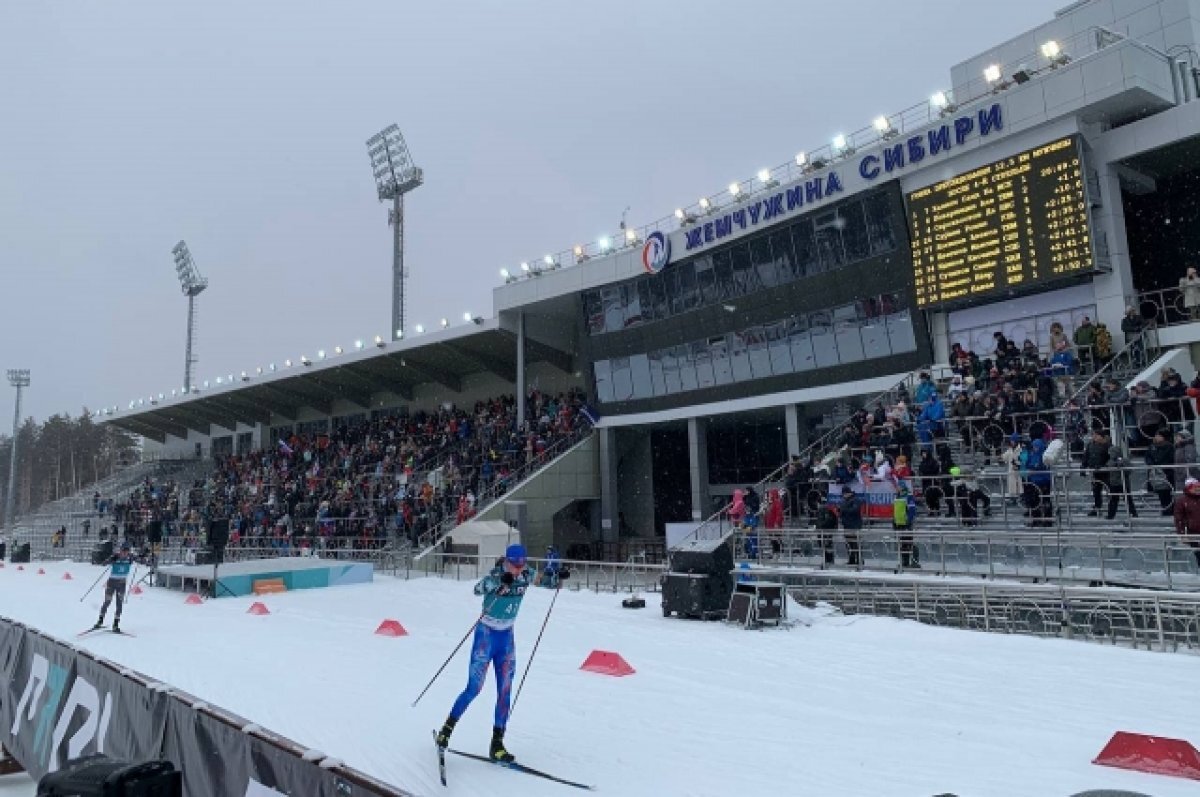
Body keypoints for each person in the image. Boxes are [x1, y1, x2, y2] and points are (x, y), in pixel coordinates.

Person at [436, 544, 568, 762]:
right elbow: (478, 589)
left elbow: (546, 581)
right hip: (486, 637)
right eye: (515, 565)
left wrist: (558, 577)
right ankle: (446, 731)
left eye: (522, 564)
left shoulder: (526, 573)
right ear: (507, 561)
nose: (519, 569)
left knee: (505, 691)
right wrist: (498, 582)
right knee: (474, 688)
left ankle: (497, 743)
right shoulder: (497, 573)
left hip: (506, 638)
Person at [94, 542, 136, 632]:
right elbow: (103, 563)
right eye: (123, 550)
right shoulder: (115, 556)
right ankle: (100, 621)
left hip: (122, 584)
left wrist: (144, 557)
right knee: (107, 602)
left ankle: (116, 624)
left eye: (127, 551)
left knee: (119, 604)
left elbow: (143, 561)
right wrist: (112, 559)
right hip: (112, 583)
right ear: (120, 550)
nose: (125, 553)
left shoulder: (130, 559)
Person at [1172, 478, 1200, 568]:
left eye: (1198, 487)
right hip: (1193, 533)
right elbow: (1178, 519)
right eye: (1195, 487)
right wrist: (1182, 534)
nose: (1198, 489)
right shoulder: (1182, 501)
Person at [893, 486, 919, 568]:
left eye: (899, 487)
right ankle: (905, 562)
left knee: (910, 543)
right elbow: (895, 511)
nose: (898, 489)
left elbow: (912, 510)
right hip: (899, 524)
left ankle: (915, 561)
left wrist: (909, 520)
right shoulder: (897, 497)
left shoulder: (909, 497)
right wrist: (894, 522)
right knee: (903, 544)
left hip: (907, 524)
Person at [838, 487, 863, 567]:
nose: (843, 495)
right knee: (849, 544)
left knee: (855, 543)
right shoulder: (844, 501)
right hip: (847, 525)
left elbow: (855, 510)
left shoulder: (856, 500)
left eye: (844, 493)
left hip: (854, 525)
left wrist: (844, 509)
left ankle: (859, 560)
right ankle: (851, 559)